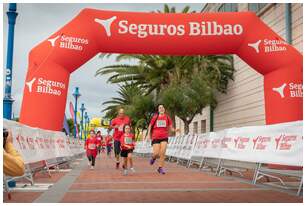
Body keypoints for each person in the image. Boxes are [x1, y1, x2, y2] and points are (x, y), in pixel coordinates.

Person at [146, 104, 179, 174]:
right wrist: (148, 135)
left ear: (164, 109)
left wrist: (175, 130)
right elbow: (150, 126)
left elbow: (171, 128)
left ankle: (160, 168)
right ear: (158, 110)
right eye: (160, 108)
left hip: (164, 137)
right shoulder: (155, 117)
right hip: (155, 137)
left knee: (162, 153)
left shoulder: (167, 117)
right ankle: (153, 158)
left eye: (162, 107)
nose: (161, 109)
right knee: (156, 153)